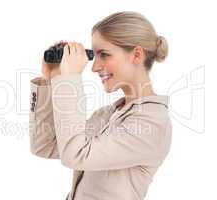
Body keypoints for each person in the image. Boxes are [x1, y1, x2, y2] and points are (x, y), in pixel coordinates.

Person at [29, 11, 172, 200]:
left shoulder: (153, 123)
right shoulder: (107, 114)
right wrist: (52, 78)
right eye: (93, 55)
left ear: (137, 55)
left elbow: (76, 154)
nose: (95, 67)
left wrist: (70, 80)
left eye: (104, 54)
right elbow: (45, 145)